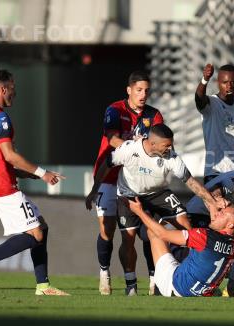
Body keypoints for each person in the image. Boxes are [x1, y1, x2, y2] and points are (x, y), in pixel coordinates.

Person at [96, 123, 227, 295]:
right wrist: (95, 189)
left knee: (185, 224)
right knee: (128, 238)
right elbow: (106, 163)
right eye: (166, 145)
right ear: (152, 144)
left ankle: (195, 272)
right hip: (129, 195)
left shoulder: (171, 157)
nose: (170, 148)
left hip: (158, 193)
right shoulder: (128, 149)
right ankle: (131, 285)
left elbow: (191, 183)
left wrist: (212, 202)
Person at [0, 69, 68, 296]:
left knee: (41, 226)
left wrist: (29, 174)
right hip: (2, 186)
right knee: (36, 234)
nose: (15, 93)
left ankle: (43, 286)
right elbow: (10, 156)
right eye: (13, 89)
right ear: (3, 89)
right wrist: (42, 173)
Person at [85, 70, 163, 296]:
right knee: (107, 229)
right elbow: (111, 139)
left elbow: (160, 143)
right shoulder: (115, 110)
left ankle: (153, 280)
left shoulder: (154, 115)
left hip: (137, 180)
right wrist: (138, 147)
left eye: (147, 91)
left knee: (148, 231)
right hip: (109, 177)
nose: (143, 95)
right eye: (139, 90)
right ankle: (104, 273)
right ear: (129, 90)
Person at [124, 196, 234, 297]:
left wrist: (139, 212)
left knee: (153, 232)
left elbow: (162, 234)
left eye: (223, 214)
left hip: (172, 286)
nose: (217, 214)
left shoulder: (204, 236)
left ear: (230, 226)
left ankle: (154, 279)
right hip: (202, 292)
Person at [195, 63, 234, 183]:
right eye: (225, 82)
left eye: (233, 82)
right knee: (221, 203)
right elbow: (199, 99)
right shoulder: (212, 103)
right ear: (218, 83)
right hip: (216, 171)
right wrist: (204, 80)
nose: (229, 86)